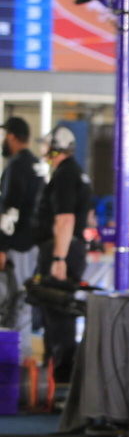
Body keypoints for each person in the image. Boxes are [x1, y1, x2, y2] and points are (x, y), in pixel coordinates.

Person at [33, 127, 91, 382]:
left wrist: (59, 258)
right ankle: (56, 375)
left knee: (58, 312)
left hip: (62, 251)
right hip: (70, 248)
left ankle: (61, 378)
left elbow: (66, 219)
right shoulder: (76, 174)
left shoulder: (66, 174)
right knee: (57, 312)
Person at [0, 117, 44, 359]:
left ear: (13, 136)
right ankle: (21, 354)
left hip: (17, 246)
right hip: (34, 244)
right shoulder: (37, 165)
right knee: (23, 301)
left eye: (4, 135)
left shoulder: (16, 166)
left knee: (10, 302)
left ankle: (10, 359)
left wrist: (2, 245)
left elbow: (11, 210)